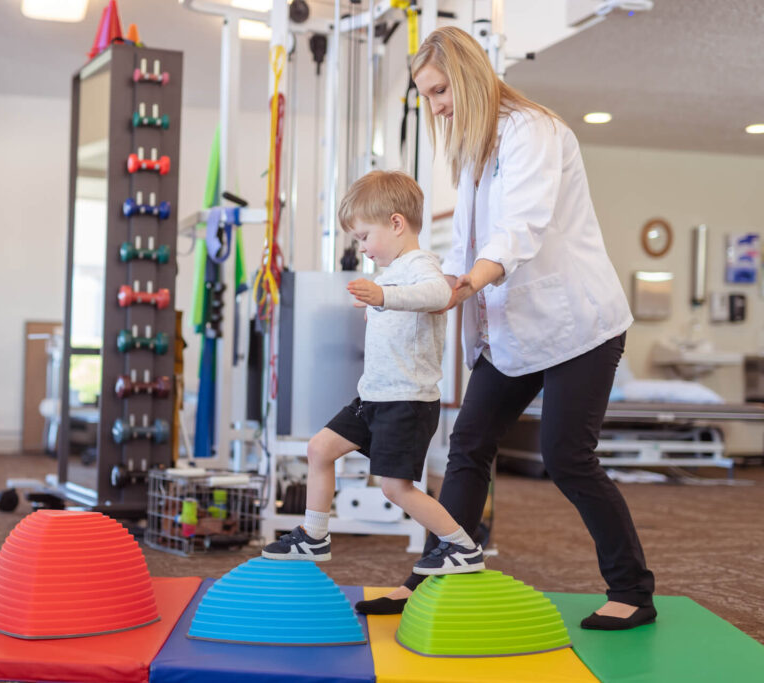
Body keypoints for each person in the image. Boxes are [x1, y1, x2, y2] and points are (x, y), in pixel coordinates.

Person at [352, 26, 656, 631]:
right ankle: (436, 570)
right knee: (468, 445)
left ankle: (633, 591)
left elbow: (518, 231)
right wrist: (432, 284)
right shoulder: (475, 151)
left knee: (567, 457)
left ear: (466, 77)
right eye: (428, 96)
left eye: (440, 92)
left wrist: (461, 289)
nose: (436, 106)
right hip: (511, 330)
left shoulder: (532, 130)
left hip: (578, 325)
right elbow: (466, 243)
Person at [262, 170, 485, 578]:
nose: (362, 248)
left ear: (396, 224)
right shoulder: (392, 270)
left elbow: (440, 295)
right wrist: (380, 300)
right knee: (319, 449)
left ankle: (462, 546)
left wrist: (384, 297)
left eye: (364, 237)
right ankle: (314, 534)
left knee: (394, 488)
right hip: (373, 398)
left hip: (407, 401)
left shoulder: (421, 264)